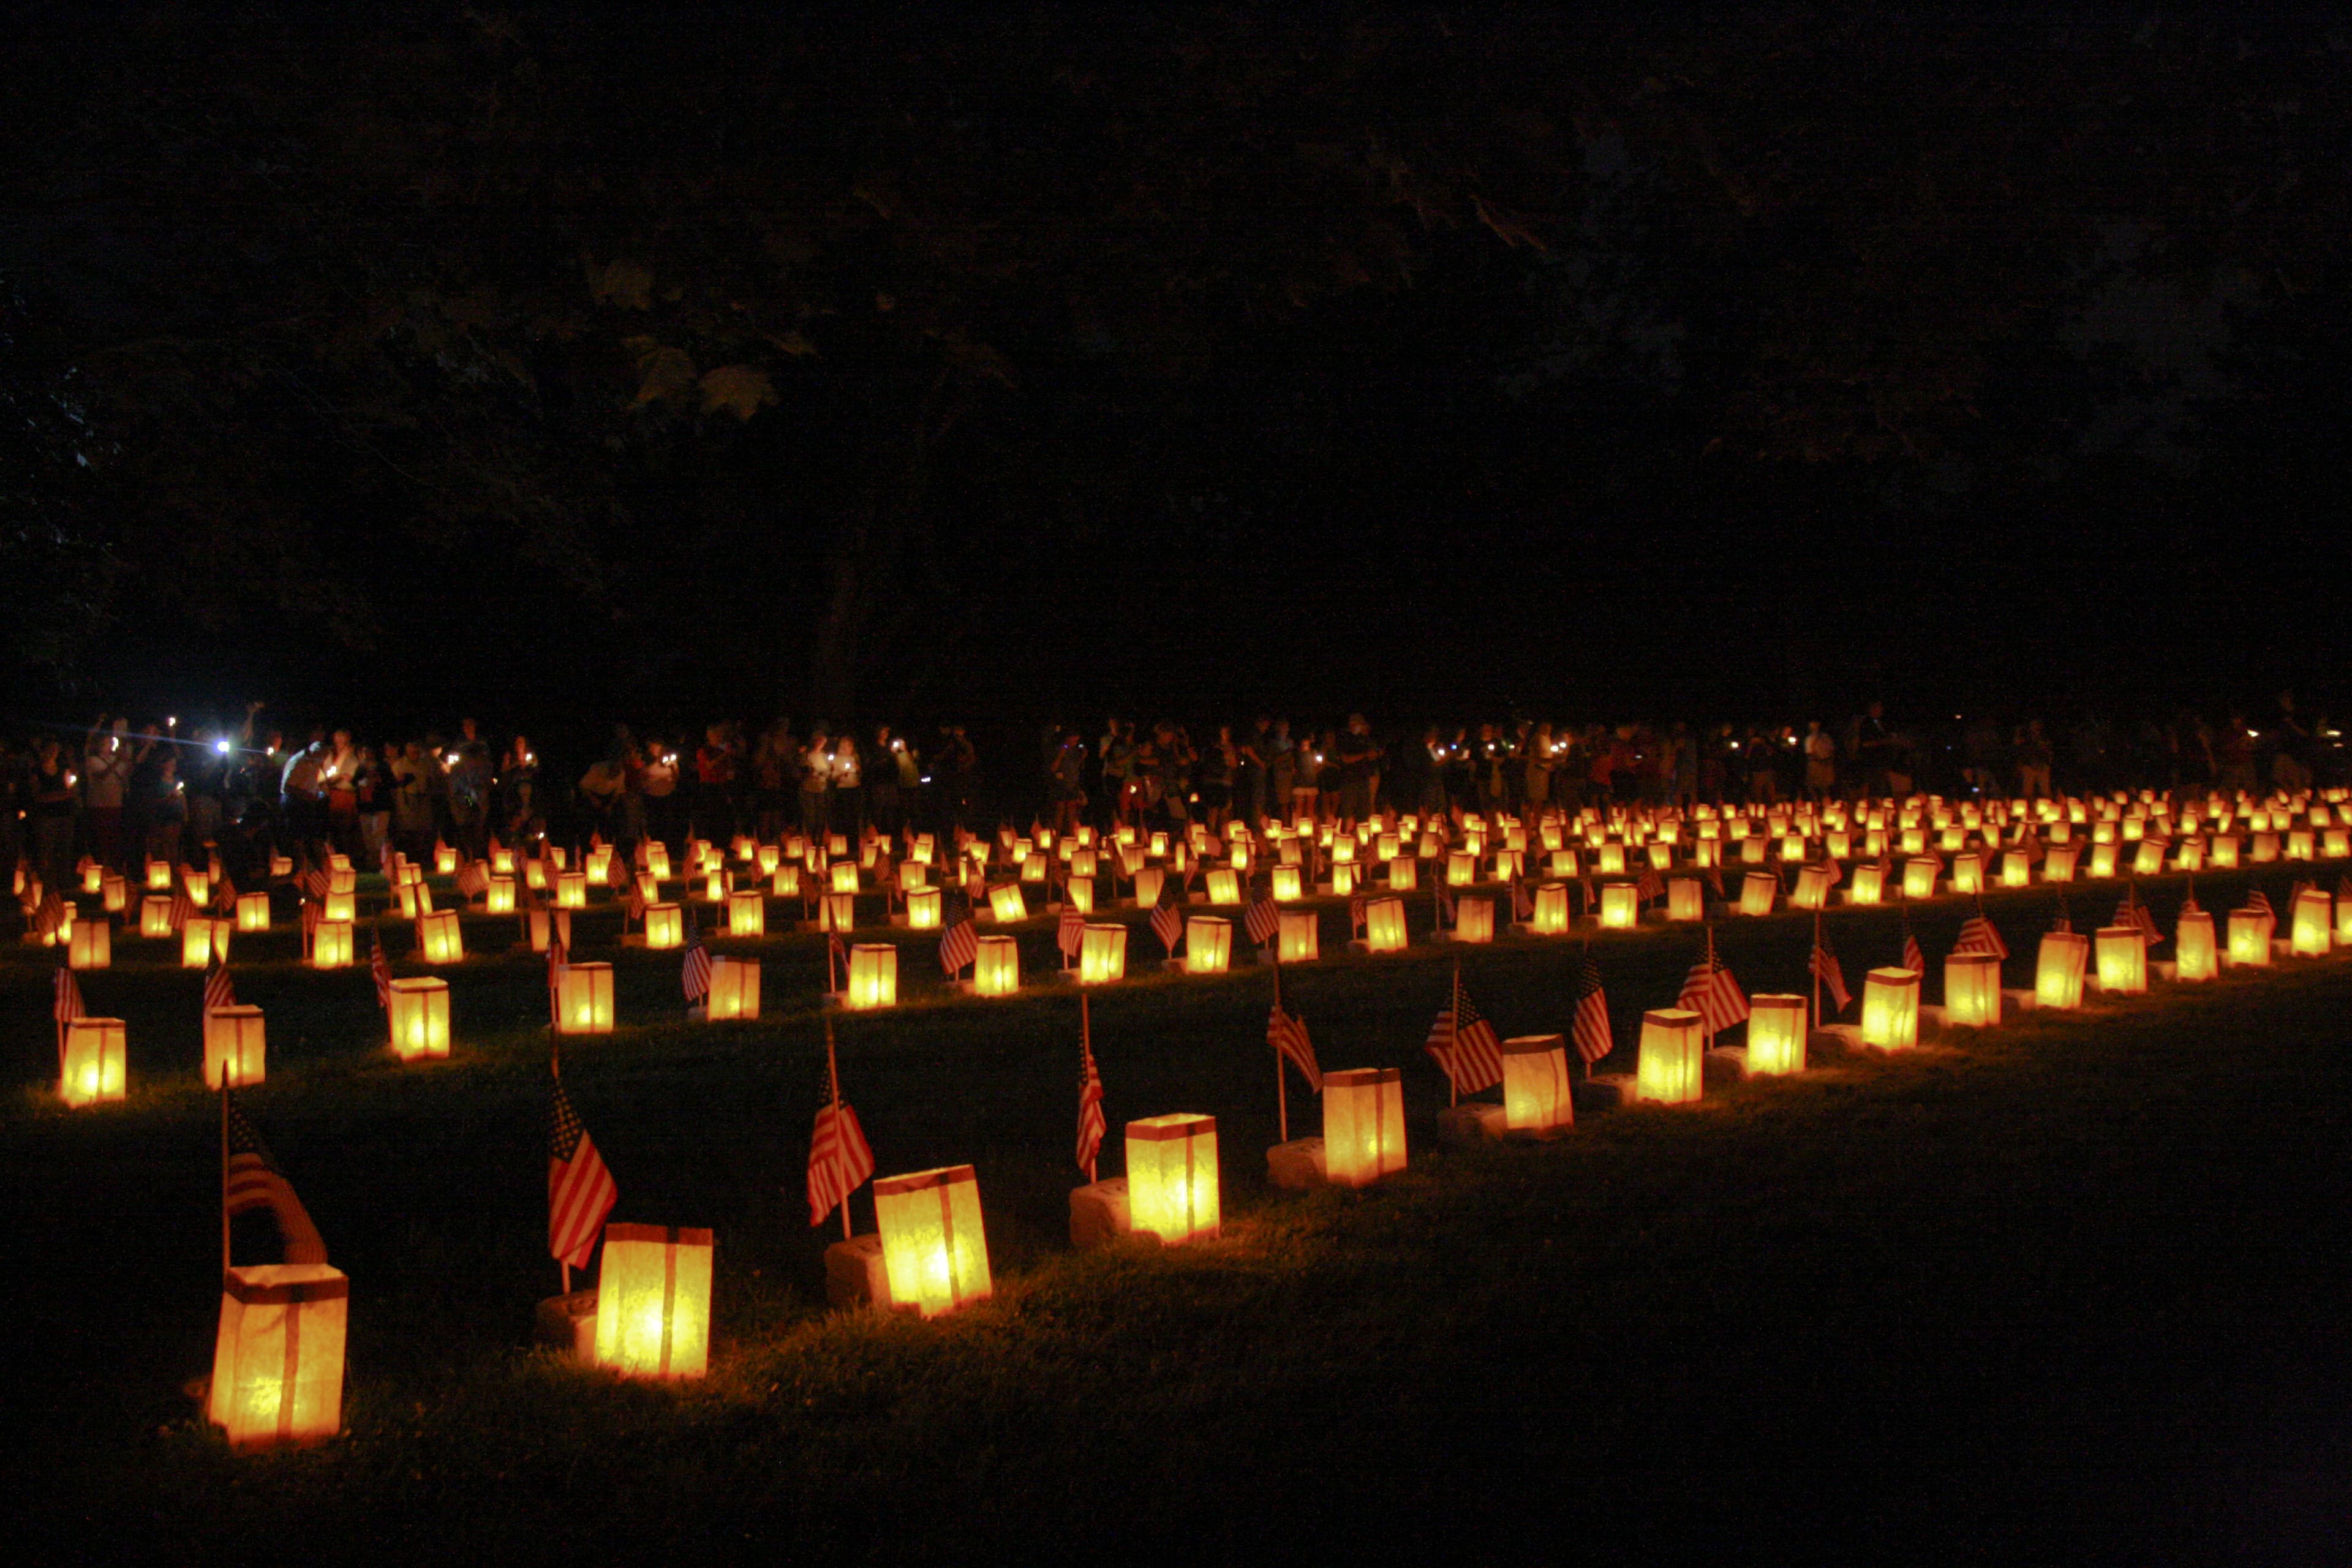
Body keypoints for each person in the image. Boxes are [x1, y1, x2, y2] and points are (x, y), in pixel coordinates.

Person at [799, 728, 833, 842]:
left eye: (823, 742)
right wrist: (810, 771)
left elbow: (829, 771)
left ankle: (820, 837)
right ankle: (810, 837)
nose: (821, 744)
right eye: (819, 741)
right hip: (809, 788)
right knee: (811, 814)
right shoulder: (807, 755)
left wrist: (825, 773)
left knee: (821, 814)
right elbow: (803, 770)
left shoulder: (824, 756)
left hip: (821, 788)